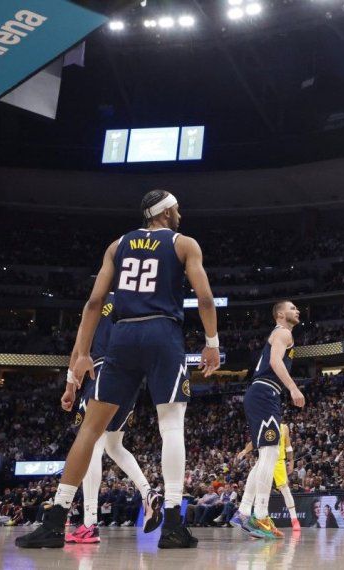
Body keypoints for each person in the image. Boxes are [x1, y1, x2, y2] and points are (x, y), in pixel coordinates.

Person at [16, 190, 220, 549]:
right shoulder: (183, 243)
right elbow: (204, 298)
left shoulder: (117, 245)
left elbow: (94, 302)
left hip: (122, 336)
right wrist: (212, 342)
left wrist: (81, 355)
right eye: (177, 209)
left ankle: (55, 521)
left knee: (90, 430)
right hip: (162, 332)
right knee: (171, 425)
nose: (181, 215)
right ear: (165, 212)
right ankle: (173, 523)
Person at [59, 292, 162, 545]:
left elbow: (79, 347)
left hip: (102, 371)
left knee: (91, 443)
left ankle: (89, 522)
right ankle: (147, 493)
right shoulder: (136, 301)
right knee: (114, 445)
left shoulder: (97, 302)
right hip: (131, 378)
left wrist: (70, 386)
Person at [233, 301, 306, 539]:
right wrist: (293, 388)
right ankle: (261, 514)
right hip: (265, 392)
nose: (297, 310)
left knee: (266, 456)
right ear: (280, 314)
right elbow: (275, 362)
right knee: (270, 453)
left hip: (263, 393)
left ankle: (244, 512)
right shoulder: (283, 332)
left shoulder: (279, 334)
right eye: (292, 308)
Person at [236, 422, 301, 531]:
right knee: (258, 489)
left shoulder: (284, 427)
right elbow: (254, 441)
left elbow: (288, 446)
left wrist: (291, 461)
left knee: (285, 489)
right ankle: (255, 518)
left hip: (278, 461)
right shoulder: (263, 424)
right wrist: (244, 451)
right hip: (264, 460)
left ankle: (294, 520)